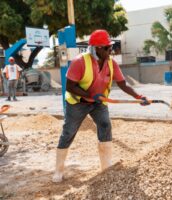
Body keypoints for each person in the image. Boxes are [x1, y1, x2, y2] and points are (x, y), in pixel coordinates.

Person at [52, 29, 150, 183]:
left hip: (98, 102)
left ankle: (106, 168)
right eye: (107, 48)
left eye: (110, 47)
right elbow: (70, 86)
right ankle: (58, 170)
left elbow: (122, 84)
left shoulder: (111, 63)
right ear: (97, 48)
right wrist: (90, 96)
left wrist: (138, 96)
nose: (110, 50)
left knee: (105, 125)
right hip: (77, 103)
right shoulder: (80, 62)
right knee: (69, 132)